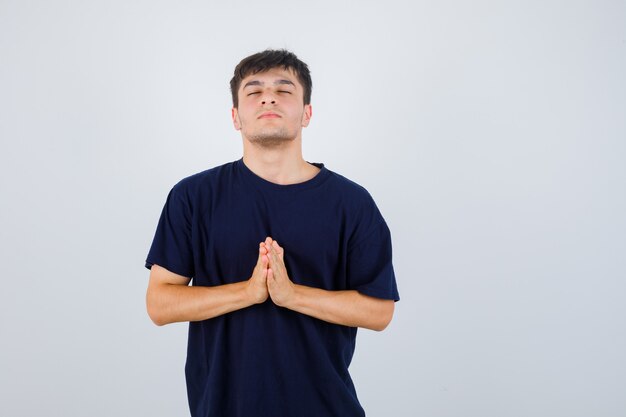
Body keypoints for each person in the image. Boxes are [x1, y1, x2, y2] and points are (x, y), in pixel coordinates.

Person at [144, 49, 400, 417]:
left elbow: (379, 312)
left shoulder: (352, 203)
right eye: (253, 91)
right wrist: (248, 292)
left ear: (306, 113)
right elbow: (159, 305)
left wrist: (292, 295)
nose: (268, 97)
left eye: (284, 90)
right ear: (235, 117)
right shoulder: (194, 197)